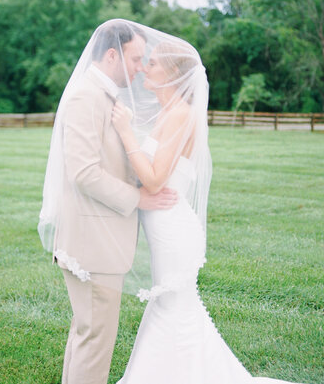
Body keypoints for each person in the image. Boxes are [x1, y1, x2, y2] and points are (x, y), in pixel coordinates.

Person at [111, 33, 308, 384]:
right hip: (165, 229)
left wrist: (126, 132)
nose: (144, 68)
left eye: (152, 62)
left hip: (173, 231)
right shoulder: (168, 113)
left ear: (172, 73)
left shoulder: (180, 115)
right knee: (172, 307)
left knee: (172, 308)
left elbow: (155, 180)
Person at [38, 20, 178, 384]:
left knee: (87, 337)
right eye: (134, 58)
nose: (138, 67)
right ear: (112, 54)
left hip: (96, 242)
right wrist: (139, 198)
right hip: (92, 245)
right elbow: (84, 172)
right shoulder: (87, 96)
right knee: (95, 341)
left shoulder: (104, 96)